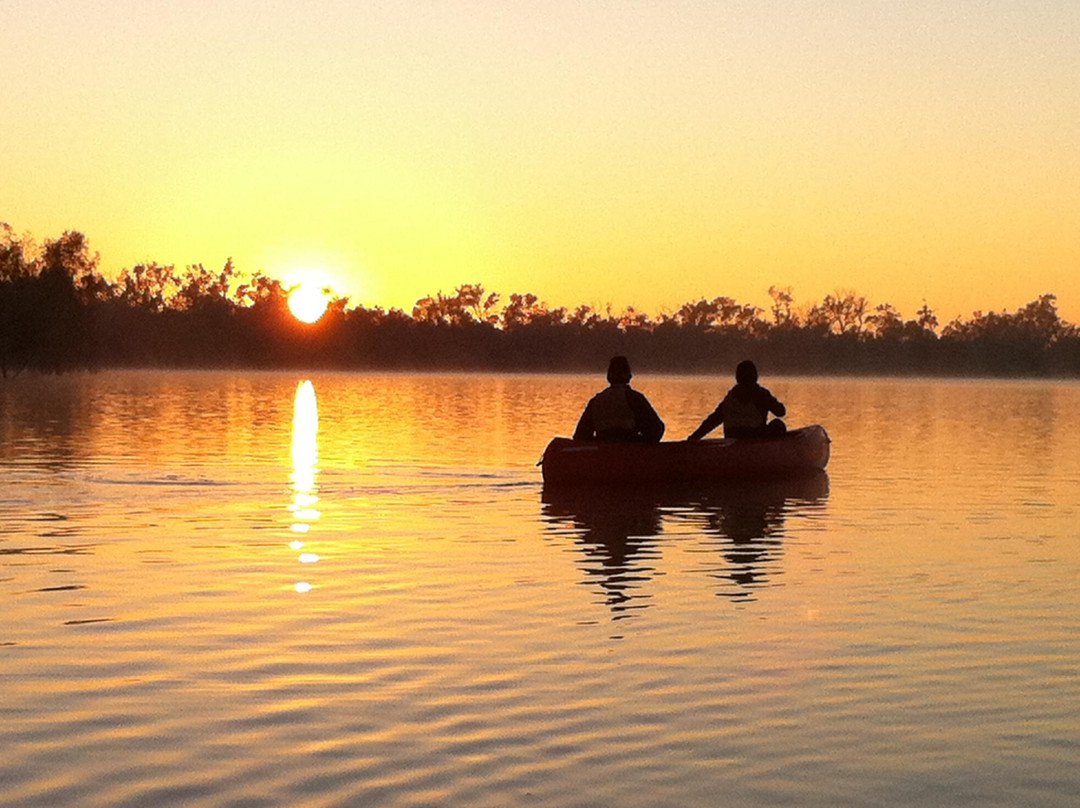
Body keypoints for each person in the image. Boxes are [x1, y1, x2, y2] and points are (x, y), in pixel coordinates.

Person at [687, 359, 786, 440]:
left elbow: (712, 421)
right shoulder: (761, 394)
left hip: (732, 438)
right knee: (778, 424)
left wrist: (692, 438)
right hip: (754, 439)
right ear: (755, 377)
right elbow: (781, 412)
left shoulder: (730, 397)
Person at [573, 356, 665, 442]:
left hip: (602, 451)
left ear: (608, 376)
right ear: (629, 375)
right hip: (630, 451)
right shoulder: (635, 399)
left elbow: (580, 436)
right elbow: (655, 432)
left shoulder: (596, 401)